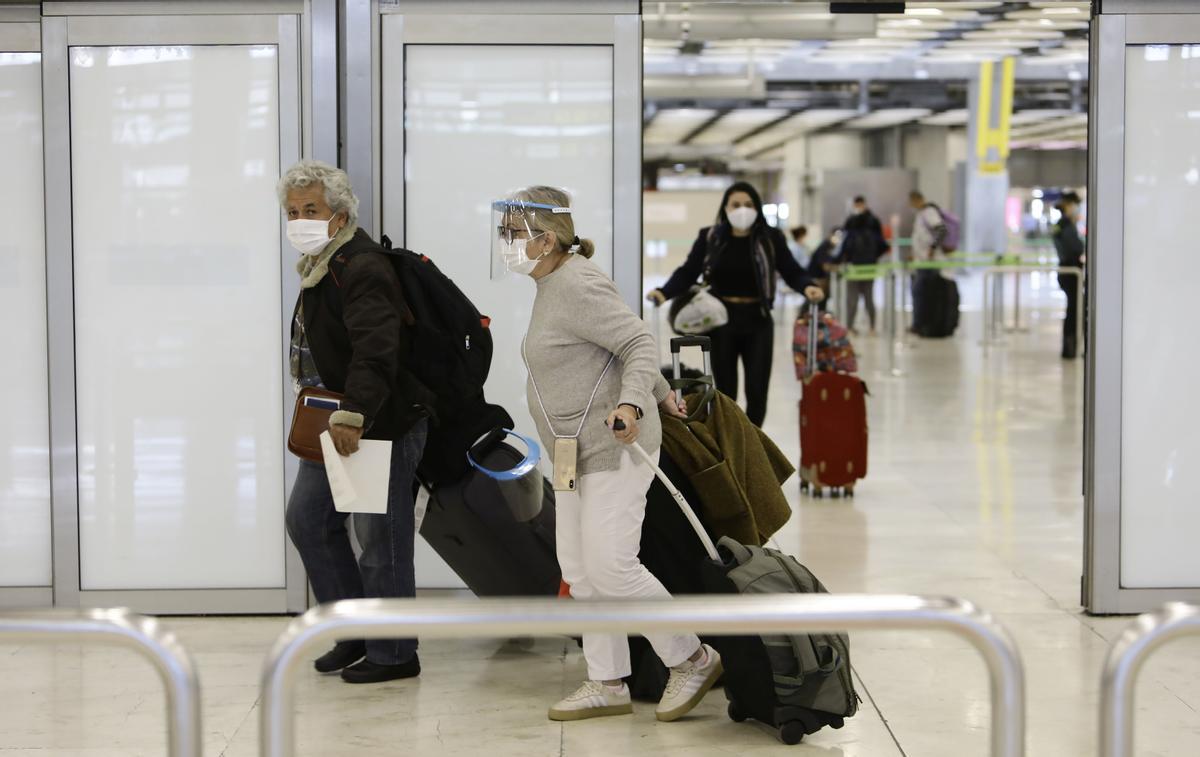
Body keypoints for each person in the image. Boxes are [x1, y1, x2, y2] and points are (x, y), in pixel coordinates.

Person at [496, 186, 723, 723]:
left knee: (613, 567)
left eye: (513, 233)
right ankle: (607, 681)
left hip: (614, 446)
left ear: (547, 239)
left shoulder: (576, 282)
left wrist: (633, 404)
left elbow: (638, 343)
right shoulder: (550, 283)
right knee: (579, 569)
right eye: (503, 233)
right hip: (573, 452)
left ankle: (692, 657)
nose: (505, 243)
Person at [279, 160, 432, 684]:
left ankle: (393, 653)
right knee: (308, 520)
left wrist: (355, 414)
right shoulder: (323, 264)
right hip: (336, 421)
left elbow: (376, 349)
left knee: (380, 537)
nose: (299, 219)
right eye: (293, 211)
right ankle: (354, 631)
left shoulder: (360, 265)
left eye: (311, 210)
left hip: (374, 421)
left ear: (339, 215)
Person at [647, 182, 825, 426]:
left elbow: (792, 270)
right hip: (721, 322)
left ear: (758, 208)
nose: (743, 209)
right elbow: (688, 271)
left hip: (758, 321)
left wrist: (807, 286)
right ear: (726, 208)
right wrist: (663, 292)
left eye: (749, 205)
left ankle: (753, 446)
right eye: (736, 205)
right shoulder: (711, 237)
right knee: (726, 392)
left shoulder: (770, 238)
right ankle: (732, 442)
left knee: (757, 391)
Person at [839, 196, 889, 334]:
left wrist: (843, 259)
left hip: (855, 265)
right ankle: (868, 327)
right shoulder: (872, 220)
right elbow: (882, 245)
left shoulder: (854, 221)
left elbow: (845, 244)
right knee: (865, 298)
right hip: (868, 265)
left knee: (856, 298)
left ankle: (852, 327)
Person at [908, 190, 948, 334]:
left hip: (930, 263)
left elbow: (942, 230)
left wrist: (932, 248)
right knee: (919, 293)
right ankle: (920, 324)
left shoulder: (929, 212)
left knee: (921, 293)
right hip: (921, 262)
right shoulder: (920, 214)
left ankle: (921, 324)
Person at [1052, 190, 1086, 359]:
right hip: (1070, 271)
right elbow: (1076, 249)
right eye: (1076, 206)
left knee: (1073, 309)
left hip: (1067, 271)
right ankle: (1070, 348)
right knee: (1075, 310)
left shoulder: (1062, 224)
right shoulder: (1066, 226)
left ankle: (1070, 348)